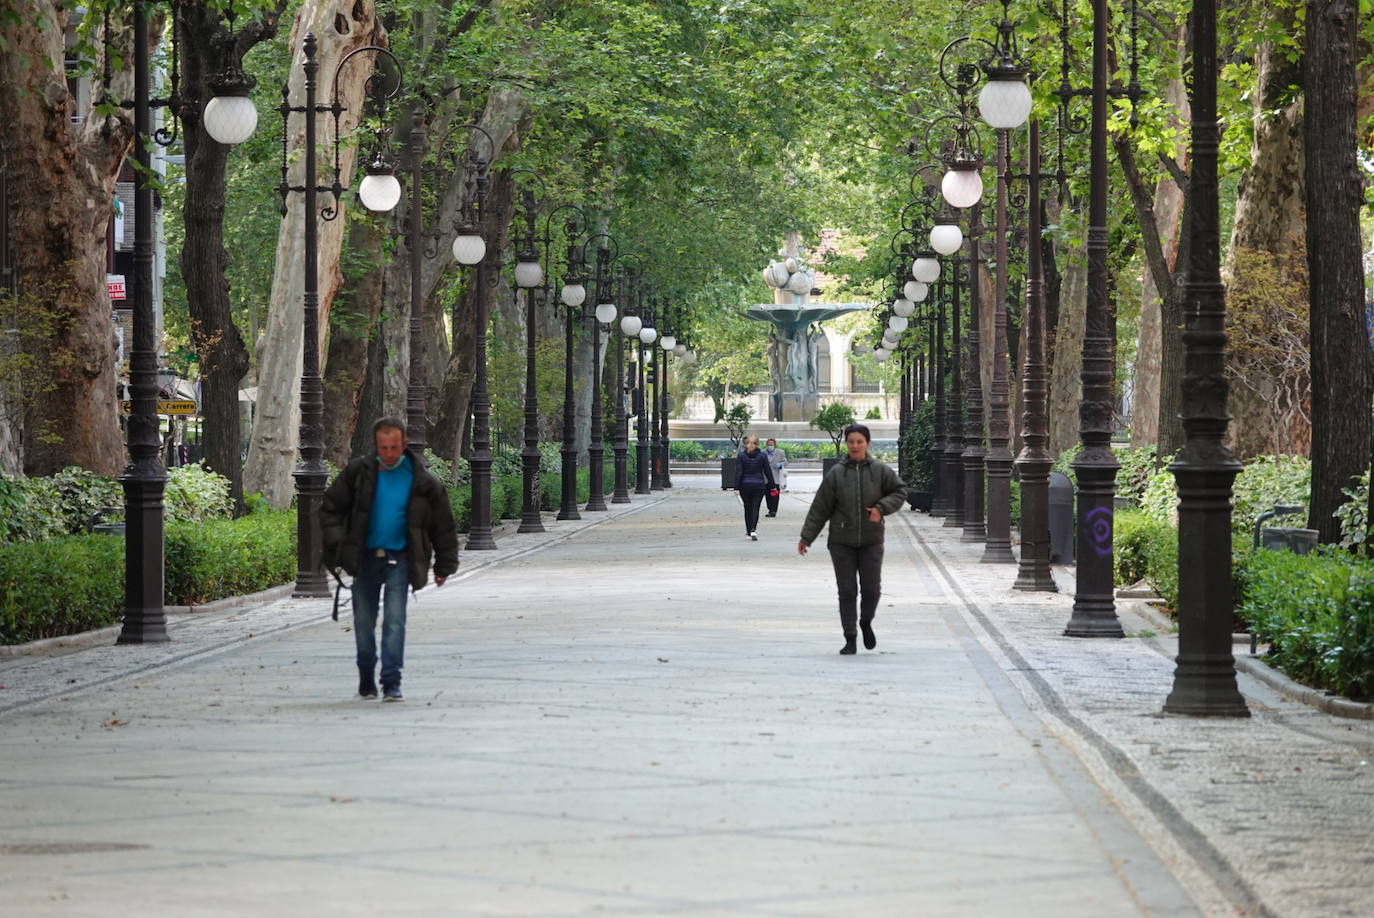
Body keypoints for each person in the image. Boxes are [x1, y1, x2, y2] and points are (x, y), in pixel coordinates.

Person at [321, 418, 459, 701]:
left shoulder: (423, 481)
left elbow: (442, 525)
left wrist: (445, 565)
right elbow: (330, 508)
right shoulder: (358, 473)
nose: (389, 453)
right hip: (365, 558)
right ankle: (366, 676)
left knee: (395, 620)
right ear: (376, 446)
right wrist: (338, 545)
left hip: (401, 558)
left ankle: (392, 681)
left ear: (405, 444)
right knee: (363, 621)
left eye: (394, 447)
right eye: (383, 448)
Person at [797, 423, 907, 655]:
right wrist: (806, 538)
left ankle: (866, 621)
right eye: (851, 442)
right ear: (846, 444)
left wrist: (880, 508)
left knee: (872, 589)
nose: (855, 446)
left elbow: (899, 492)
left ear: (867, 444)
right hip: (841, 542)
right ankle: (850, 638)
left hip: (872, 540)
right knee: (847, 591)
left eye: (860, 441)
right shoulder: (836, 474)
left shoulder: (879, 471)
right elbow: (820, 508)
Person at [734, 433, 776, 541]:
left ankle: (748, 531)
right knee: (755, 507)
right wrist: (772, 486)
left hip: (745, 485)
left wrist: (736, 487)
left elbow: (739, 472)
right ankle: (753, 529)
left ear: (746, 444)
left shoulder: (742, 456)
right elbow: (768, 472)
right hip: (759, 485)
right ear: (758, 444)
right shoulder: (762, 456)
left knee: (747, 508)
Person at [763, 438, 788, 516]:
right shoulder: (762, 453)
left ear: (774, 445)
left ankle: (773, 511)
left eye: (771, 445)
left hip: (776, 477)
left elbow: (785, 462)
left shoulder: (780, 452)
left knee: (774, 495)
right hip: (765, 478)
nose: (770, 446)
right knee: (767, 495)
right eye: (769, 445)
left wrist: (780, 464)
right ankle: (770, 509)